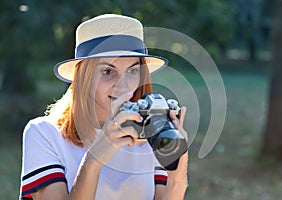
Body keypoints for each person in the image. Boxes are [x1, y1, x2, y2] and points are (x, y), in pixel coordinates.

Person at [19, 14, 189, 200]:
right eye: (107, 71)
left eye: (132, 71)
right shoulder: (44, 134)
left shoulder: (150, 133)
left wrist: (176, 176)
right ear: (83, 77)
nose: (123, 86)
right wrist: (94, 160)